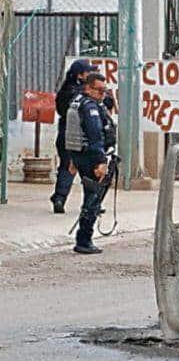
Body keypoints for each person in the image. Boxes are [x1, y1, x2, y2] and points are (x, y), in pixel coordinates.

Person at [66, 73, 114, 254]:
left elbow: (73, 132)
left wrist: (73, 158)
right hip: (91, 157)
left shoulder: (76, 102)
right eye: (99, 90)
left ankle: (84, 238)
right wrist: (101, 162)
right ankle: (84, 240)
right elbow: (94, 135)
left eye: (105, 91)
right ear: (88, 88)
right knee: (93, 199)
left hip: (79, 155)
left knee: (91, 196)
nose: (103, 94)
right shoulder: (90, 107)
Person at [50, 59, 99, 214]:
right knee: (86, 168)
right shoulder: (77, 93)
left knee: (67, 166)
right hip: (76, 134)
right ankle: (90, 203)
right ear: (80, 75)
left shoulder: (67, 91)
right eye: (88, 72)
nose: (91, 74)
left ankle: (60, 197)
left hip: (66, 134)